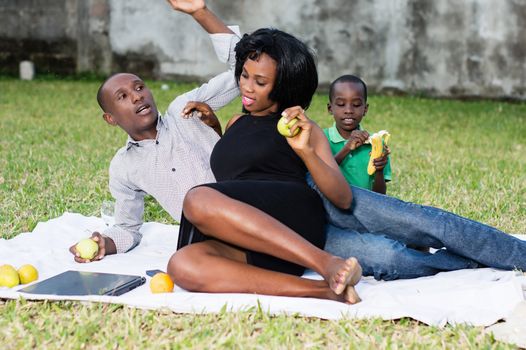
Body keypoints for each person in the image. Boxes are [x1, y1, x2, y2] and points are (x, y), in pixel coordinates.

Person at [168, 27, 363, 304]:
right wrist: (216, 128)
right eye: (245, 75)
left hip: (291, 218)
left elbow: (343, 198)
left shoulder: (301, 127)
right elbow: (243, 169)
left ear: (283, 87)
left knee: (197, 199)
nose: (247, 87)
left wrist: (305, 151)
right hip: (247, 234)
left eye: (260, 82)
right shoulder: (237, 121)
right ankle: (327, 291)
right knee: (183, 264)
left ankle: (326, 264)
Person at [69, 0, 241, 261]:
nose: (137, 97)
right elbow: (128, 229)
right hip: (209, 238)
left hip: (248, 212)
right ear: (110, 118)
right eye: (123, 96)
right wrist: (105, 243)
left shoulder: (185, 110)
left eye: (139, 88)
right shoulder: (124, 166)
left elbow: (242, 72)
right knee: (182, 267)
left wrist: (200, 12)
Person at [324, 74, 391, 194]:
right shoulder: (321, 138)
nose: (348, 110)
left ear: (365, 109)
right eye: (340, 104)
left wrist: (379, 170)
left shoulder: (377, 145)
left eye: (356, 105)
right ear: (330, 108)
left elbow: (380, 196)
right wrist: (347, 148)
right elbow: (320, 176)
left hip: (365, 206)